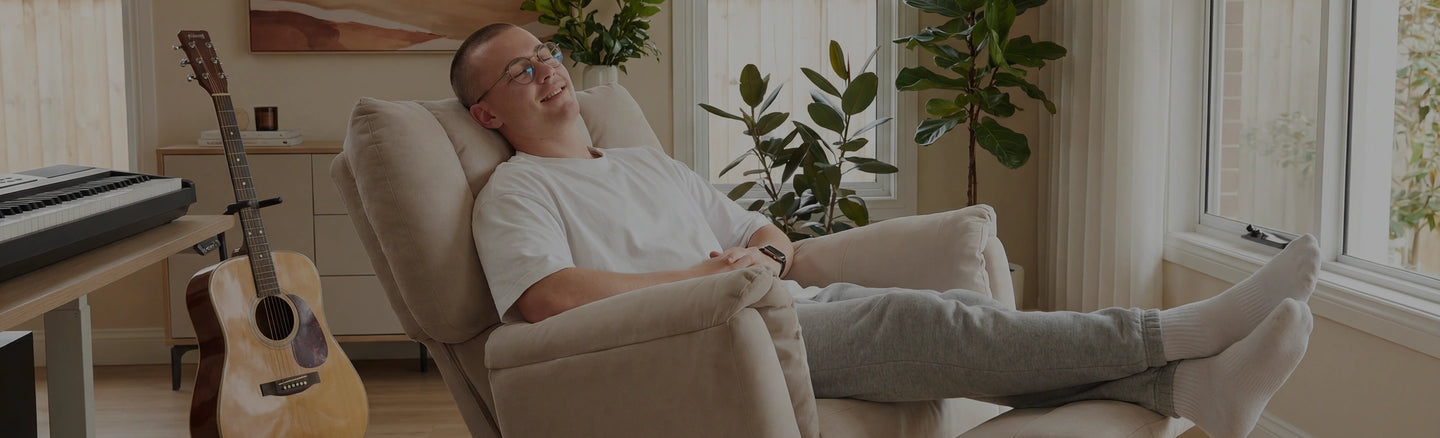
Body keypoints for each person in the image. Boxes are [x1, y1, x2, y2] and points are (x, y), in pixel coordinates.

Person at [451, 23, 1316, 438]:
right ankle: (1179, 332)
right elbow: (547, 298)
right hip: (711, 340)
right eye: (519, 71)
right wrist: (711, 284)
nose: (546, 69)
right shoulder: (516, 193)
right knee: (934, 320)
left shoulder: (648, 164)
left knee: (973, 329)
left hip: (778, 304)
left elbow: (767, 231)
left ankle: (1184, 391)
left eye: (546, 52)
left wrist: (759, 257)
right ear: (487, 112)